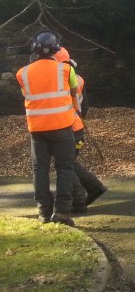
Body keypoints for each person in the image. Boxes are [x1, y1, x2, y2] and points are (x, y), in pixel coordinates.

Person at [16, 31, 81, 226]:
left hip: (37, 129)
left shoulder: (22, 73)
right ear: (56, 48)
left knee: (40, 169)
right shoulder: (66, 70)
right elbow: (74, 91)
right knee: (65, 168)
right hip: (62, 126)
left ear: (34, 49)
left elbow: (27, 94)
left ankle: (44, 212)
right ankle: (62, 212)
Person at [53, 47, 107, 213]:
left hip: (65, 126)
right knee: (69, 162)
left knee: (65, 164)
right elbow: (85, 106)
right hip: (76, 126)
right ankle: (95, 187)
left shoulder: (57, 80)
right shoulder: (78, 79)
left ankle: (79, 203)